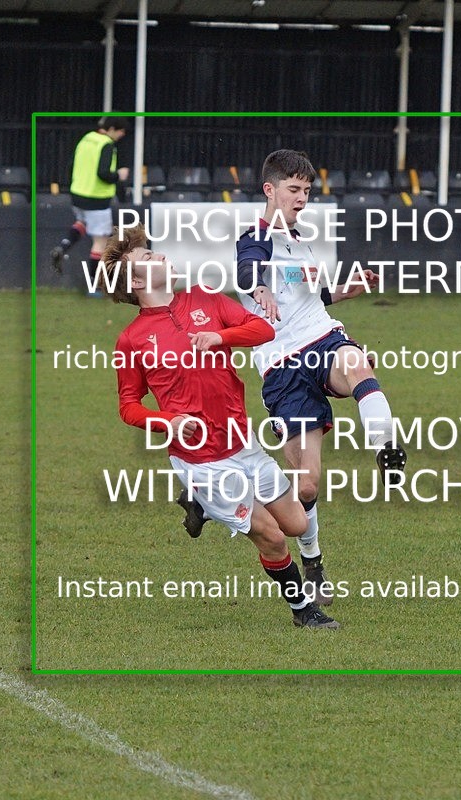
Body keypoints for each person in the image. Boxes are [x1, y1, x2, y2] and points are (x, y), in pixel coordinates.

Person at [99, 223, 340, 630]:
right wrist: (167, 422)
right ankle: (304, 611)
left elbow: (263, 329)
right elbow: (128, 406)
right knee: (273, 537)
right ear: (136, 282)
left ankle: (201, 507)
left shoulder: (205, 297)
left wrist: (220, 337)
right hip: (203, 461)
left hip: (242, 443)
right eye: (147, 257)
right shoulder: (132, 340)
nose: (159, 256)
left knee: (297, 523)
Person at [230, 149, 407, 606]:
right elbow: (248, 269)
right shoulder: (256, 237)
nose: (302, 198)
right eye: (293, 189)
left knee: (357, 364)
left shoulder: (299, 240)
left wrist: (348, 289)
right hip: (282, 367)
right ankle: (313, 562)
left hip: (322, 338)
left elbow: (312, 296)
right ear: (269, 190)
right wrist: (259, 288)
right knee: (306, 484)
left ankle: (386, 447)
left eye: (307, 190)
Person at [50, 116, 130, 291]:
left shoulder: (86, 139)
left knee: (83, 222)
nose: (122, 134)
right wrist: (119, 175)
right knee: (100, 241)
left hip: (78, 193)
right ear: (111, 129)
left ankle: (63, 247)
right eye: (120, 131)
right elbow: (103, 173)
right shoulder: (106, 145)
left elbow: (71, 165)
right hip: (97, 198)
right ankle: (93, 285)